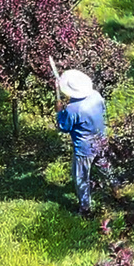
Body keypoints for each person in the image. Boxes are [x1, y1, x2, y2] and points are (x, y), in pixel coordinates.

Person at [55, 70, 106, 217]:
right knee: (106, 168)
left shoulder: (72, 109)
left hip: (84, 149)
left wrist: (59, 112)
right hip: (101, 140)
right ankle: (118, 192)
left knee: (81, 178)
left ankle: (85, 210)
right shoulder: (96, 96)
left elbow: (64, 127)